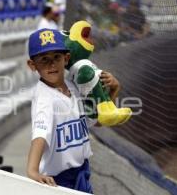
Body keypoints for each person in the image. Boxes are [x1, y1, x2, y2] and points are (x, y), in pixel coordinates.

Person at [26, 28, 120, 193]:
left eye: (56, 57)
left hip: (82, 172)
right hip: (59, 180)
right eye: (44, 59)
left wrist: (114, 91)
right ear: (32, 65)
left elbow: (96, 122)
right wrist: (32, 170)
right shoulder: (44, 98)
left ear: (66, 58)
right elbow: (39, 136)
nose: (52, 64)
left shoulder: (73, 86)